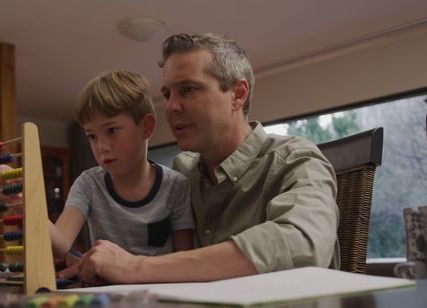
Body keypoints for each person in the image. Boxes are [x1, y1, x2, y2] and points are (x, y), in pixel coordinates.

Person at [62, 33, 340, 284]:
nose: (171, 107)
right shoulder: (181, 175)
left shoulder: (296, 160)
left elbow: (303, 244)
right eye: (167, 94)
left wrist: (135, 267)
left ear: (238, 94)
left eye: (189, 89)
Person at [0, 70, 195, 260]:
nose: (102, 147)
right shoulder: (88, 184)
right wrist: (22, 202)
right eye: (92, 136)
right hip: (104, 295)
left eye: (112, 130)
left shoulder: (176, 186)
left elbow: (184, 261)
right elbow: (60, 244)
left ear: (146, 126)